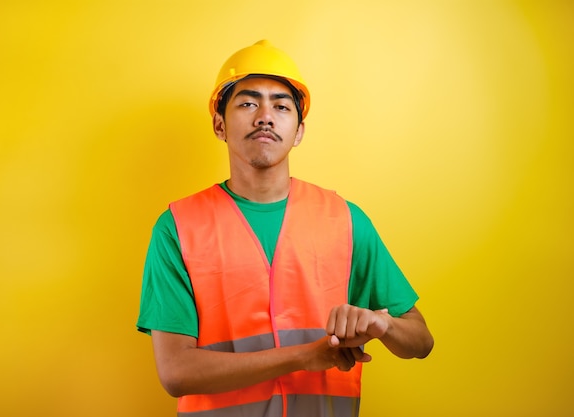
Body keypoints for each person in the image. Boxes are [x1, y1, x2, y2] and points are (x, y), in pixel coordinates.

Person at [137, 40, 434, 417]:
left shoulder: (344, 219)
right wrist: (304, 356)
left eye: (280, 105)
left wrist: (383, 323)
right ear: (219, 124)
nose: (265, 116)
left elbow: (421, 341)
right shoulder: (178, 228)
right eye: (247, 103)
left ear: (298, 131)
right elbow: (176, 372)